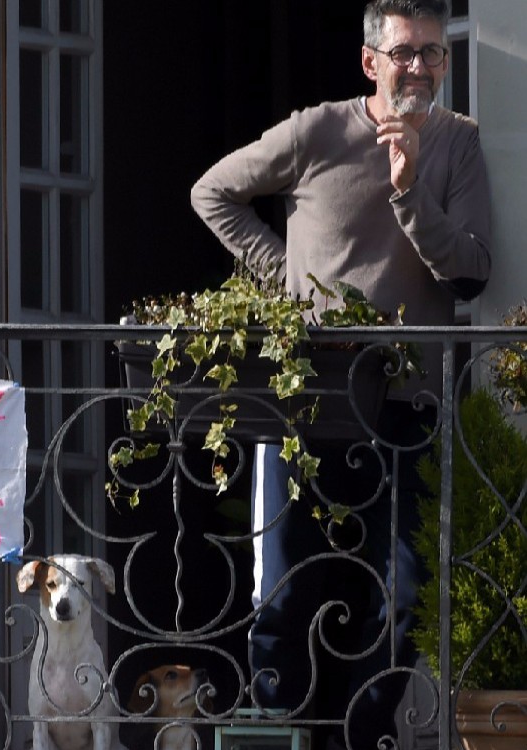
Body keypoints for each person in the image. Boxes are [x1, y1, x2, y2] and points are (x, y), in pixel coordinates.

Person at [189, 1, 489, 748]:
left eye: (431, 53)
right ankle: (281, 735)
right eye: (403, 53)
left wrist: (409, 190)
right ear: (370, 62)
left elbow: (473, 274)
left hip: (407, 402)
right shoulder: (318, 129)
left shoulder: (458, 144)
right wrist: (285, 278)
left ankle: (361, 737)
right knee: (287, 592)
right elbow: (212, 193)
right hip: (306, 404)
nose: (418, 67)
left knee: (406, 594)